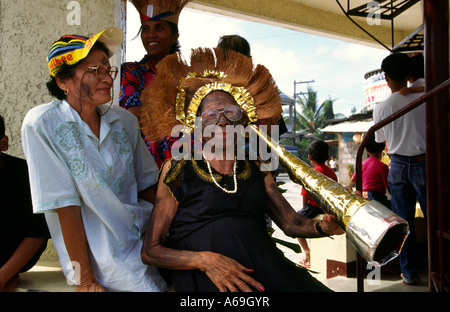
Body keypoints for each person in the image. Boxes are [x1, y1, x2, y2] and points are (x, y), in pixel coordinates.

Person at [139, 47, 343, 292]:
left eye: (230, 112)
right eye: (211, 114)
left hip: (266, 270)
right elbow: (151, 251)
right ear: (197, 125)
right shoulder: (178, 168)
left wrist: (322, 226)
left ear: (243, 121)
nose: (222, 120)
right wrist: (204, 260)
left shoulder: (256, 166)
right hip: (207, 280)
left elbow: (291, 223)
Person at [21, 27, 167, 292]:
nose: (106, 78)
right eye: (93, 71)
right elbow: (64, 204)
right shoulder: (43, 123)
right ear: (63, 81)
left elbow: (148, 187)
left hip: (144, 236)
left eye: (107, 70)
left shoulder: (124, 121)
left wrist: (167, 235)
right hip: (100, 254)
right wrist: (85, 279)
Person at [373, 53, 426, 285]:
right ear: (408, 74)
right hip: (424, 162)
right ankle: (441, 266)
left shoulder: (382, 108)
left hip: (397, 165)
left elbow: (379, 138)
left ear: (386, 77)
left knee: (404, 224)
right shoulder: (425, 95)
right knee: (437, 220)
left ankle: (410, 274)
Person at [120, 0, 191, 168]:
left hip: (188, 164)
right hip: (145, 168)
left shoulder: (191, 76)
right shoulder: (130, 72)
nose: (151, 35)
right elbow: (133, 117)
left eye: (159, 27)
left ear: (174, 36)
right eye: (145, 28)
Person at [0, 115, 50, 292]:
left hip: (14, 253)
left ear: (4, 144)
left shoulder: (26, 174)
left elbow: (38, 233)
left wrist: (3, 276)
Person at [296, 140, 338, 269]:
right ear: (327, 157)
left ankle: (307, 252)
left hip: (313, 206)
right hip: (328, 207)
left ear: (310, 157)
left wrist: (304, 209)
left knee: (295, 223)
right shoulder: (332, 172)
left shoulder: (311, 172)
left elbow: (305, 195)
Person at [351, 133, 390, 208]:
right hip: (378, 198)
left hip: (363, 197)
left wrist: (365, 186)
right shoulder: (383, 166)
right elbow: (389, 186)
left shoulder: (363, 164)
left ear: (366, 149)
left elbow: (353, 179)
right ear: (383, 147)